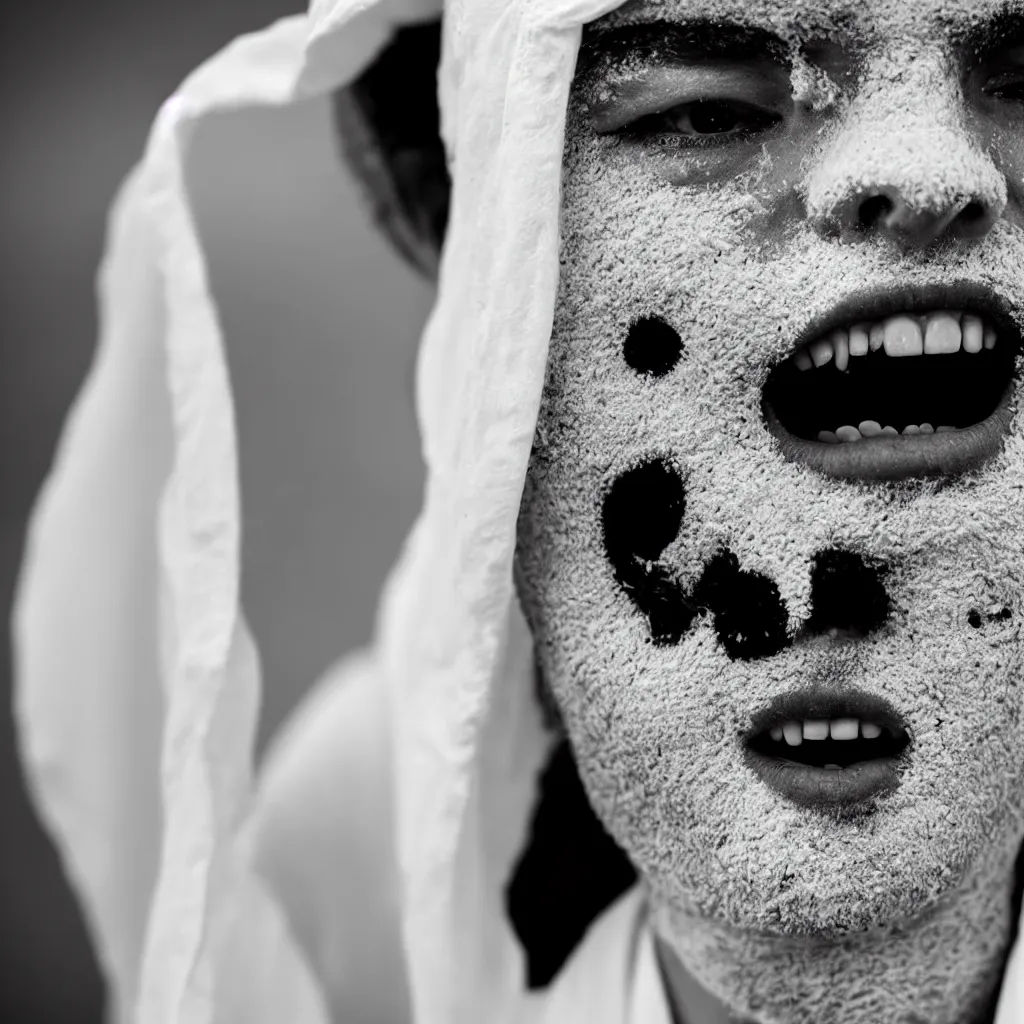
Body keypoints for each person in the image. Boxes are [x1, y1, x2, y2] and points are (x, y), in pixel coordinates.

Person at [12, 0, 1024, 1022]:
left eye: (1020, 90)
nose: (924, 172)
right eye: (709, 111)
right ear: (498, 280)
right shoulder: (361, 848)